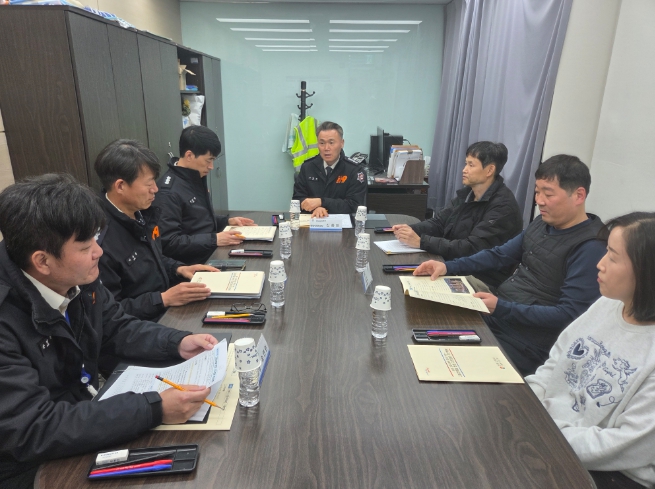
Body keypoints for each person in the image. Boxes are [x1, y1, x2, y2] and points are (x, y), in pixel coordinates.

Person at [0, 174, 218, 488]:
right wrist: (152, 408)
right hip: (29, 465)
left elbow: (115, 326)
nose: (99, 252)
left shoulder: (76, 276)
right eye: (85, 246)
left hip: (81, 418)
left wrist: (178, 341)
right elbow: (32, 428)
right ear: (42, 261)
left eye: (95, 239)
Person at [414, 155, 606, 375]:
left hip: (528, 343)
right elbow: (499, 255)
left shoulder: (591, 247)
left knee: (444, 368)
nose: (539, 201)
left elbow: (569, 315)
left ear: (579, 195)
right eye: (537, 192)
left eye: (548, 194)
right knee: (426, 328)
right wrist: (448, 267)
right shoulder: (542, 223)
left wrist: (502, 307)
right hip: (500, 317)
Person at [526, 212, 655, 487]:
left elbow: (621, 446)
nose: (600, 264)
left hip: (607, 473)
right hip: (546, 431)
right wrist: (527, 404)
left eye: (612, 257)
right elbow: (556, 363)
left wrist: (541, 429)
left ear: (647, 272)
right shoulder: (607, 303)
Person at [94, 139, 218, 322]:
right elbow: (110, 312)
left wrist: (178, 268)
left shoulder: (142, 212)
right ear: (120, 186)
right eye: (149, 183)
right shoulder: (99, 242)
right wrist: (163, 299)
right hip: (140, 325)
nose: (155, 189)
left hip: (164, 310)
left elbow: (153, 258)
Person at [392, 141, 522, 288]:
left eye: (471, 165)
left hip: (480, 277)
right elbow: (439, 222)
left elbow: (472, 248)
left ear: (489, 170)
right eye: (466, 164)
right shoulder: (468, 193)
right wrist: (410, 229)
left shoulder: (503, 207)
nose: (464, 170)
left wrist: (421, 242)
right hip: (453, 264)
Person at [156, 126, 256, 264]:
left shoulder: (193, 177)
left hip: (210, 253)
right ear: (189, 156)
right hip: (193, 265)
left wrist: (226, 221)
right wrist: (214, 239)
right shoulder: (168, 192)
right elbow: (169, 243)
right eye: (208, 160)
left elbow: (196, 220)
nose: (211, 166)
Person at [292, 121, 366, 217]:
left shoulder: (355, 171)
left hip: (342, 223)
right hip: (313, 220)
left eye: (331, 143)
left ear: (342, 143)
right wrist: (316, 208)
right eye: (322, 143)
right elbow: (297, 200)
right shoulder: (307, 167)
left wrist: (322, 202)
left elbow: (354, 205)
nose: (326, 148)